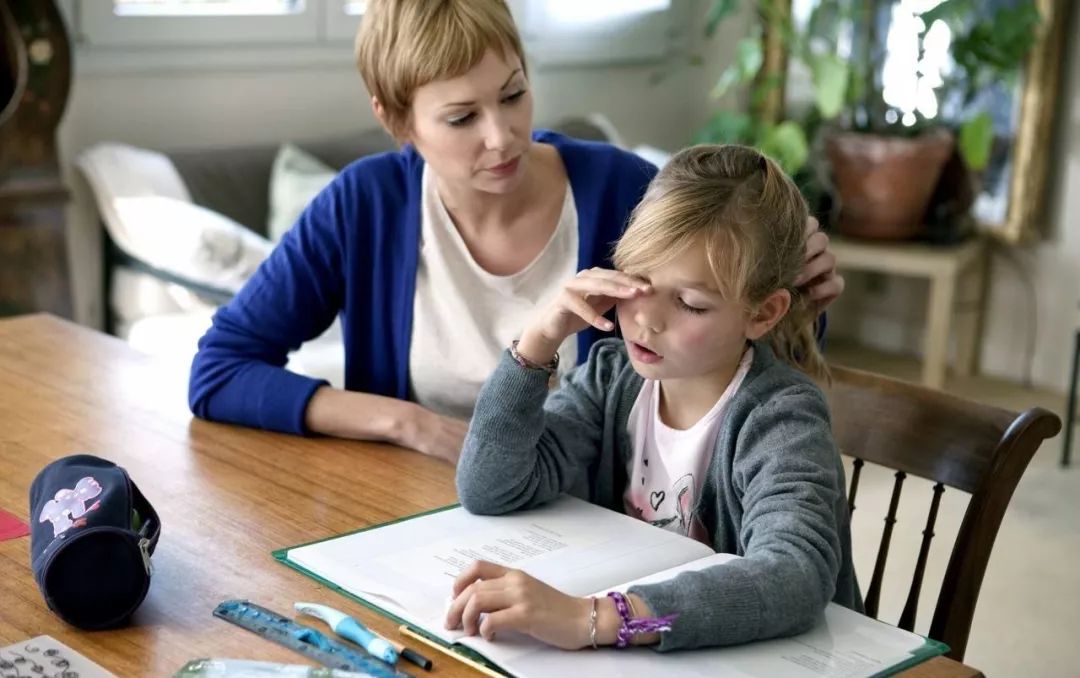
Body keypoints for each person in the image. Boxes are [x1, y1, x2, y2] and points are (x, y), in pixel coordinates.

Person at [188, 0, 845, 464]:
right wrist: (407, 424)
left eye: (512, 95)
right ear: (395, 118)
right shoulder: (365, 205)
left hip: (600, 521)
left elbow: (746, 338)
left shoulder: (620, 190)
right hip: (420, 509)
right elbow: (219, 371)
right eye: (460, 117)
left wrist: (799, 292)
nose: (501, 138)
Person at [449, 144, 861, 651]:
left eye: (689, 304)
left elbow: (795, 576)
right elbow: (490, 488)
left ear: (763, 313)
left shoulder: (780, 417)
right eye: (638, 282)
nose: (647, 320)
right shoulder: (611, 378)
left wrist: (596, 618)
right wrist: (536, 344)